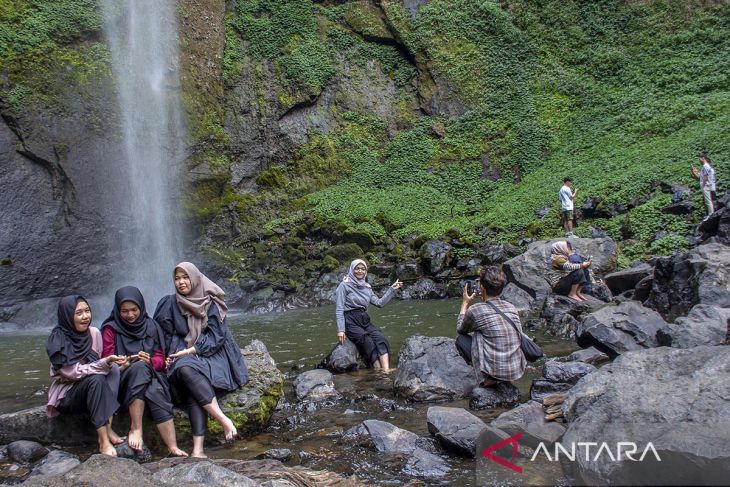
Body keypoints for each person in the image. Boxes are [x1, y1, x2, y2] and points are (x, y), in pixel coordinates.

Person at [154, 262, 249, 458]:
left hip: (213, 354)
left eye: (185, 277)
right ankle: (203, 444)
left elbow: (217, 336)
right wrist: (168, 356)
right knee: (185, 372)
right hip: (181, 356)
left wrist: (191, 351)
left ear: (195, 278)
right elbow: (164, 335)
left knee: (187, 370)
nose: (181, 282)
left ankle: (206, 440)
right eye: (177, 278)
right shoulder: (169, 303)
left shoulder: (211, 302)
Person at [101, 286, 187, 456]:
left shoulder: (151, 326)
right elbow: (106, 358)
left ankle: (172, 446)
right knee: (139, 368)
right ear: (118, 311)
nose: (130, 315)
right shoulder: (110, 329)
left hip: (150, 375)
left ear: (141, 307)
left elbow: (161, 359)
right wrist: (120, 364)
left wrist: (150, 361)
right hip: (122, 381)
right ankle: (136, 428)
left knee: (154, 388)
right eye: (124, 311)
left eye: (134, 310)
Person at [46, 295, 126, 456]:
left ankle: (108, 427)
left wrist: (118, 363)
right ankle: (103, 440)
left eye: (87, 311)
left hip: (92, 391)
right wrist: (103, 364)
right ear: (68, 316)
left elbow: (100, 364)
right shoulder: (58, 339)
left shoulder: (94, 333)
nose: (85, 317)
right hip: (68, 394)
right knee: (96, 378)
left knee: (114, 369)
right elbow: (72, 373)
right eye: (79, 313)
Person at [454, 266, 526, 387]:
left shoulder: (476, 310)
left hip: (494, 373)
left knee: (461, 339)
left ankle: (488, 379)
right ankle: (507, 379)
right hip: (516, 371)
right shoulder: (511, 307)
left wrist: (465, 303)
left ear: (482, 287)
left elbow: (460, 329)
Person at [335, 259, 403, 371]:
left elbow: (379, 303)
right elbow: (339, 309)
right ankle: (377, 370)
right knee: (367, 340)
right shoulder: (344, 286)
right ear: (352, 270)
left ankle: (386, 370)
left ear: (366, 271)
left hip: (364, 319)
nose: (360, 271)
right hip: (350, 320)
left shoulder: (367, 287)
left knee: (381, 338)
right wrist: (341, 329)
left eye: (363, 269)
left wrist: (392, 289)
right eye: (357, 268)